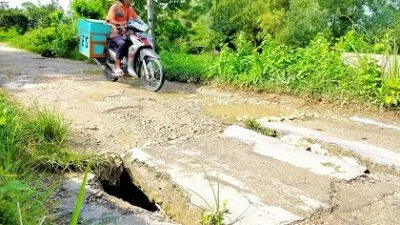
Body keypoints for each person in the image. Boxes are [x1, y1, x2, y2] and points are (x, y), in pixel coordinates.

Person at [106, 0, 139, 76]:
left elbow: (137, 19)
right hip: (116, 34)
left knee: (137, 44)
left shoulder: (130, 9)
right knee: (122, 43)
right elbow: (110, 19)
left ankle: (134, 65)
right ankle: (117, 66)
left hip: (128, 35)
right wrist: (119, 23)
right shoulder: (116, 7)